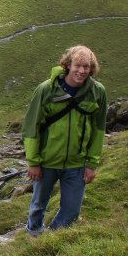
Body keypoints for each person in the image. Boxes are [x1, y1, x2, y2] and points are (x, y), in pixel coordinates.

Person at [23, 45, 107, 237]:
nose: (82, 71)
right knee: (38, 206)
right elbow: (31, 128)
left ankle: (51, 239)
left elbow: (98, 130)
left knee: (72, 211)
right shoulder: (46, 90)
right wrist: (33, 161)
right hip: (46, 161)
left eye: (87, 67)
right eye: (78, 65)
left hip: (77, 164)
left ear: (92, 68)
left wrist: (92, 163)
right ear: (68, 65)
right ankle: (33, 235)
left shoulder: (97, 92)